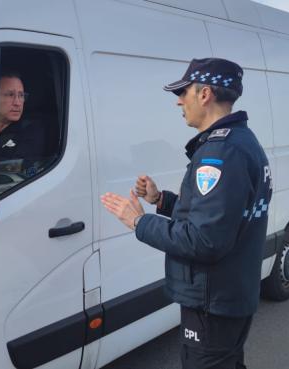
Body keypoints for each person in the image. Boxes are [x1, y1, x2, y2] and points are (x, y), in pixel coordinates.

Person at [100, 58, 273, 369]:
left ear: (204, 94)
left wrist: (139, 221)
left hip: (213, 298)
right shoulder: (240, 141)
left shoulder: (220, 153)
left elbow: (205, 240)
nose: (179, 102)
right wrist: (160, 200)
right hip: (229, 293)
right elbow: (221, 213)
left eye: (184, 92)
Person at [0, 72, 47, 177]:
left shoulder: (32, 131)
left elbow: (19, 170)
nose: (17, 102)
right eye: (10, 95)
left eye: (21, 95)